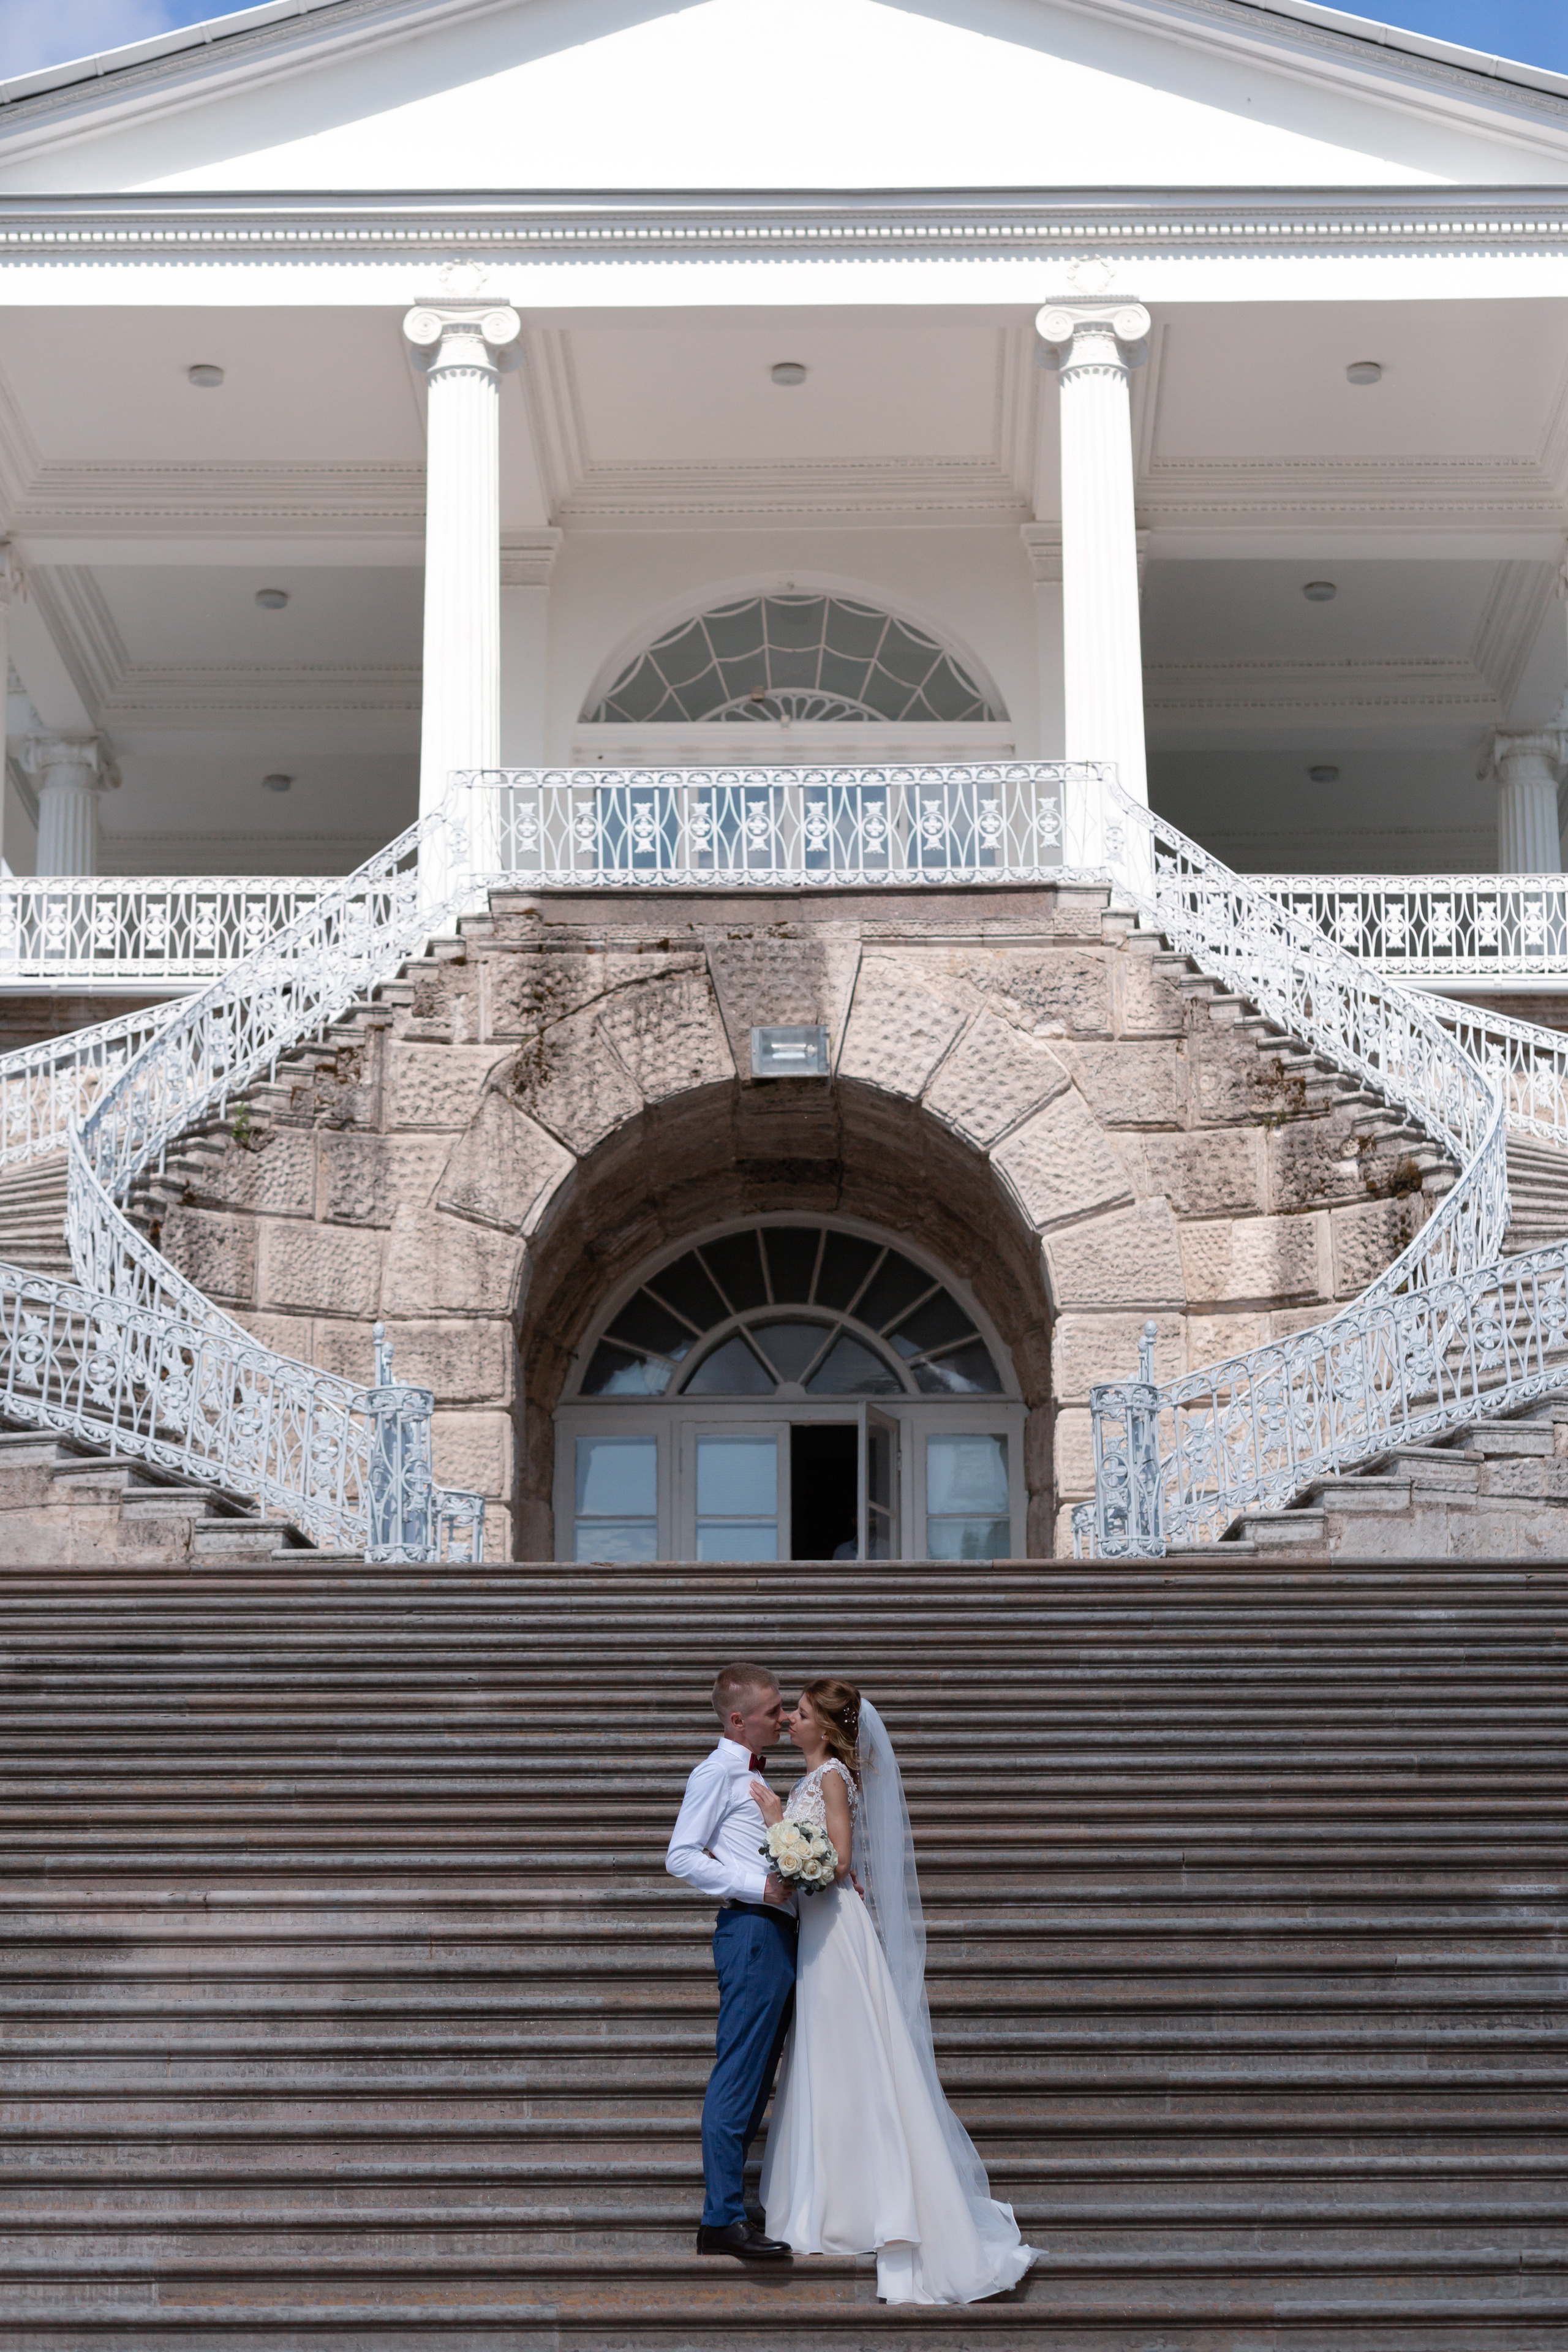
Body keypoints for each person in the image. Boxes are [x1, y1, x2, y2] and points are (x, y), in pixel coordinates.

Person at [754, 1678, 1036, 2305]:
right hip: (818, 1929)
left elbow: (841, 1861)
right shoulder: (814, 1777)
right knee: (830, 2059)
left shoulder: (828, 1776)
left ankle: (860, 2201)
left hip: (834, 1930)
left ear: (823, 1730)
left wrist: (777, 1828)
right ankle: (835, 2197)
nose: (789, 1722)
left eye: (798, 1714)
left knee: (846, 2056)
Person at [665, 1660, 797, 2262]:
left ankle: (733, 2206)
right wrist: (757, 1886)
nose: (783, 1718)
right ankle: (720, 2217)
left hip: (773, 1934)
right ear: (740, 1721)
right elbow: (681, 1857)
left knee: (758, 2073)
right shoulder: (714, 1772)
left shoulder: (750, 1773)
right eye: (773, 1711)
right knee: (739, 2073)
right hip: (750, 1931)